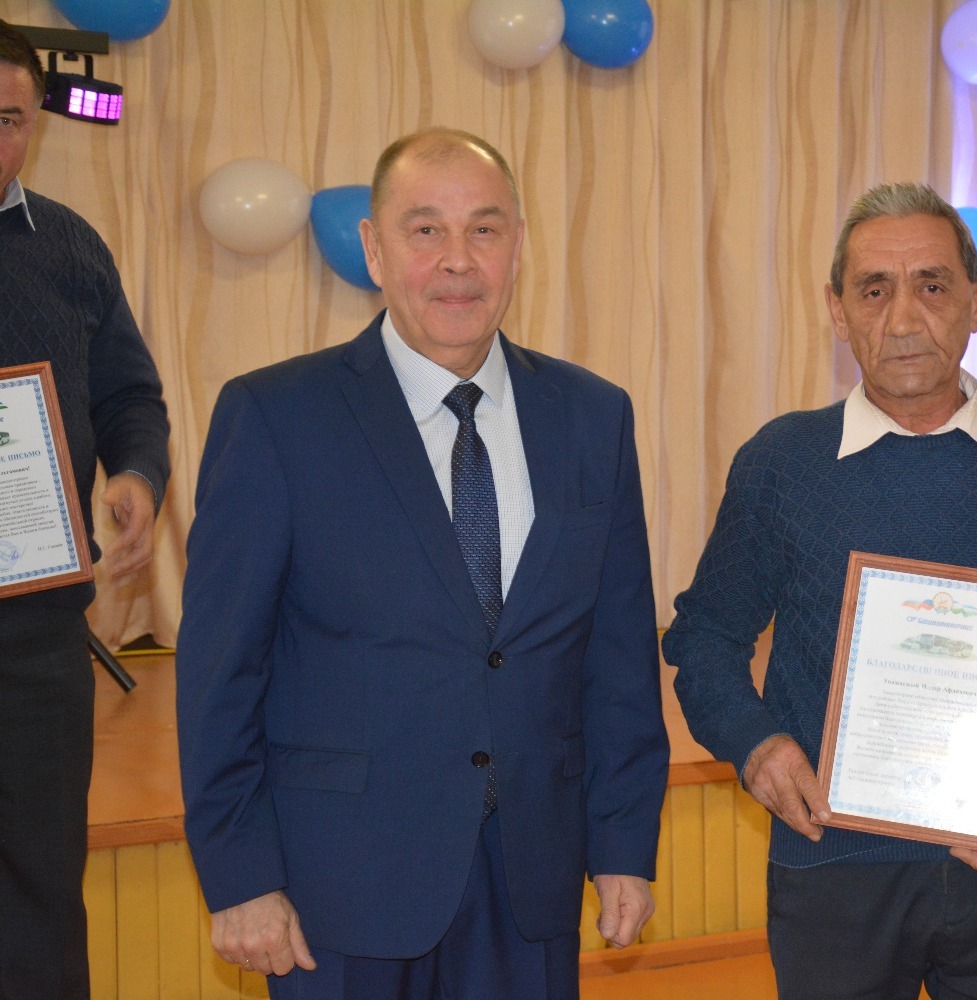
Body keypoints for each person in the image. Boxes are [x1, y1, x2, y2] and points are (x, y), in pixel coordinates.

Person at [176, 127, 668, 1000]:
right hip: (340, 889)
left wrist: (625, 843)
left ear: (518, 246)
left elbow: (619, 655)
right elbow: (220, 672)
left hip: (531, 880)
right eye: (425, 230)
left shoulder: (594, 417)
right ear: (373, 248)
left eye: (484, 229)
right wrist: (240, 874)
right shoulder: (276, 417)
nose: (458, 261)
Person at [662, 182, 977, 999]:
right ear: (837, 310)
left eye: (931, 285)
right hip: (833, 872)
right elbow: (706, 638)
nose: (902, 319)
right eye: (873, 290)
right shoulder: (782, 464)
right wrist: (758, 746)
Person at [0, 21, 171, 1000]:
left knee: (41, 897)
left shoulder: (68, 248)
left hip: (34, 646)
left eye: (10, 120)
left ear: (35, 124)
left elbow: (130, 397)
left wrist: (137, 477)